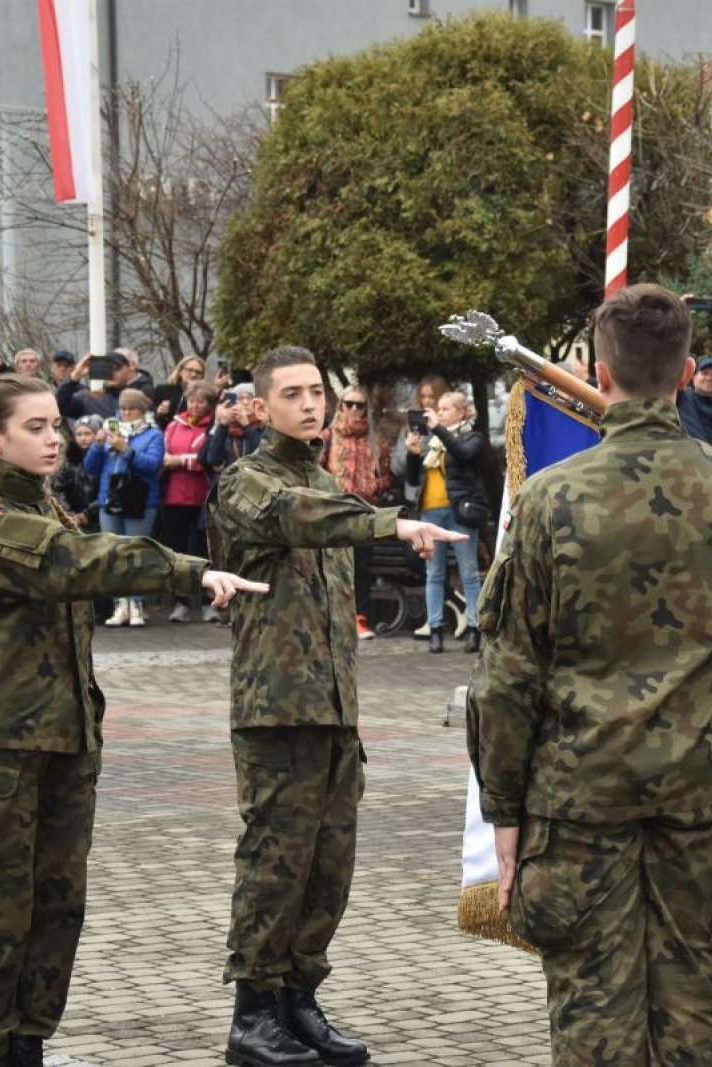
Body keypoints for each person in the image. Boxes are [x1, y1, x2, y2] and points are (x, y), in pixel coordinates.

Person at [0, 374, 265, 1067]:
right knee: (0, 911)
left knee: (58, 907)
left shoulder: (45, 506)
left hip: (64, 741)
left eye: (56, 424)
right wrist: (185, 571)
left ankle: (29, 1040)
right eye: (35, 427)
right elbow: (79, 561)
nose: (54, 437)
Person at [469, 283, 712, 1066]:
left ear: (599, 374)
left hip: (580, 794)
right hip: (696, 792)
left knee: (594, 1011)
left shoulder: (550, 498)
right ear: (687, 372)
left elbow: (506, 675)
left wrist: (503, 811)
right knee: (690, 1005)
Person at [205, 345, 461, 1067]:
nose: (310, 404)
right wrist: (388, 523)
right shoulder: (247, 483)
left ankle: (299, 998)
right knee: (274, 862)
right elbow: (297, 517)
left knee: (328, 863)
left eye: (316, 391)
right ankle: (252, 1011)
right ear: (262, 407)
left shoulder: (324, 480)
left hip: (333, 707)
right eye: (292, 394)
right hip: (275, 708)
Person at [403, 390, 488, 654]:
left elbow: (463, 454)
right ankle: (436, 629)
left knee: (469, 572)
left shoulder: (473, 437)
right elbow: (413, 479)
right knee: (434, 573)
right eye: (438, 409)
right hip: (430, 511)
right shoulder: (433, 441)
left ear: (462, 412)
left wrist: (438, 429)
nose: (439, 413)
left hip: (459, 511)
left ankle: (474, 629)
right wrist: (413, 454)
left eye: (446, 409)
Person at [83, 389, 166, 627]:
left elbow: (152, 465)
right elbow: (90, 468)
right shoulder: (111, 432)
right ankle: (120, 604)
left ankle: (137, 604)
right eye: (124, 409)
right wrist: (98, 446)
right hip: (109, 500)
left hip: (139, 501)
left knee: (135, 553)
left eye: (132, 409)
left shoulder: (153, 435)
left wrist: (127, 451)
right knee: (113, 553)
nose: (127, 413)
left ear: (142, 411)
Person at [322, 384, 394, 641]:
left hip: (365, 511)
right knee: (334, 567)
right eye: (348, 403)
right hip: (335, 511)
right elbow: (316, 470)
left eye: (359, 404)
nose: (353, 409)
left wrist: (374, 486)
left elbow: (386, 475)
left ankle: (360, 617)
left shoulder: (377, 440)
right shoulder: (328, 436)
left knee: (362, 568)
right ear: (340, 405)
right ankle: (333, 619)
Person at [161, 382, 218, 622]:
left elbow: (207, 459)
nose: (195, 405)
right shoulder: (175, 424)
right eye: (192, 400)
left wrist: (181, 461)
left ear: (210, 405)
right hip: (173, 497)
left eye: (201, 401)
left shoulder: (213, 427)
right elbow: (163, 456)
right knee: (177, 551)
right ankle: (180, 602)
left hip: (201, 496)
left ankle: (208, 602)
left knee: (201, 551)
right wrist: (175, 461)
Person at [154, 355, 207, 428]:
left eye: (198, 372)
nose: (194, 374)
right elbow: (148, 417)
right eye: (190, 370)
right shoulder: (162, 390)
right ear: (180, 372)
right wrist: (158, 412)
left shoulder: (204, 397)